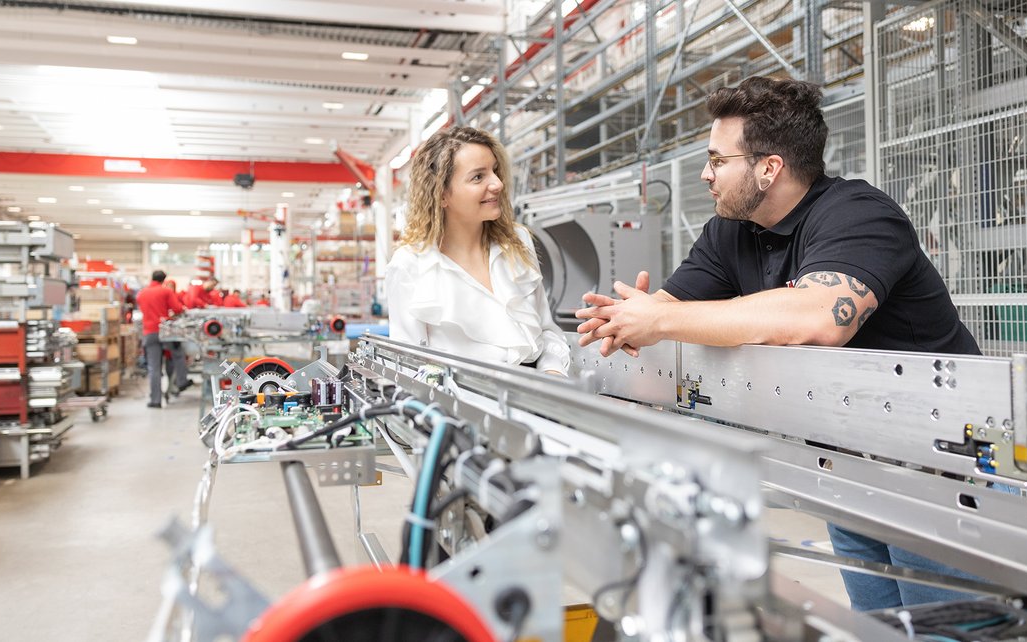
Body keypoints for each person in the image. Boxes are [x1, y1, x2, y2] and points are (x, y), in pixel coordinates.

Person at [575, 76, 984, 611]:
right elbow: (673, 311)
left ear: (768, 168)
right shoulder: (731, 231)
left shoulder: (859, 214)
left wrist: (660, 321)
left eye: (718, 160)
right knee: (880, 624)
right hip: (847, 458)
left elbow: (818, 319)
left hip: (938, 464)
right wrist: (625, 322)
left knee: (941, 626)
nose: (706, 174)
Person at [386, 126, 569, 376]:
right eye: (478, 177)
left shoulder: (517, 242)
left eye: (494, 171)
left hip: (535, 402)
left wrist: (553, 372)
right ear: (441, 195)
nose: (497, 183)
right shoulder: (410, 264)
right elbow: (407, 366)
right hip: (462, 410)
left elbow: (547, 333)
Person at [136, 270, 192, 408]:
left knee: (153, 368)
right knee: (178, 354)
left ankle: (155, 400)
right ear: (164, 280)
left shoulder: (141, 293)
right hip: (164, 331)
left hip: (149, 332)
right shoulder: (165, 292)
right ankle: (181, 381)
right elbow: (177, 308)